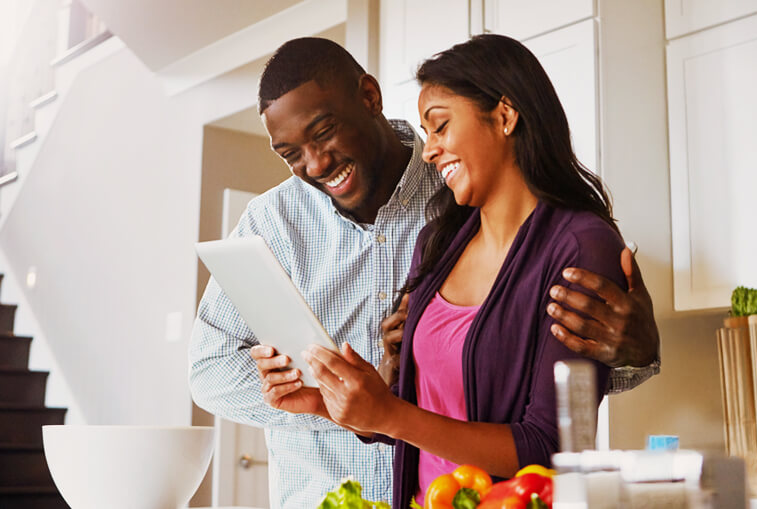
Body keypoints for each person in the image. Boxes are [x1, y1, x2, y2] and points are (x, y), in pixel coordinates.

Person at [190, 37, 659, 509]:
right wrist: (331, 400)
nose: (314, 164)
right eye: (291, 153)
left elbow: (553, 407)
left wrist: (636, 355)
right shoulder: (286, 224)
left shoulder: (463, 195)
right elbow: (209, 369)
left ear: (370, 97)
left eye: (324, 132)